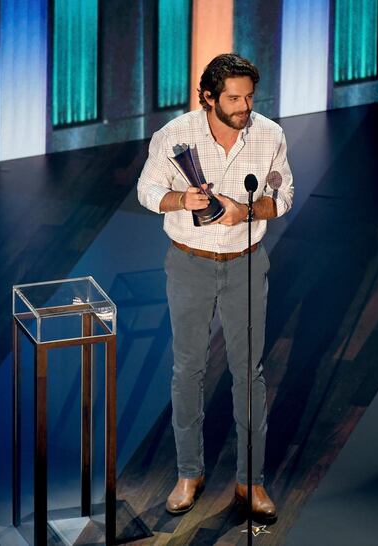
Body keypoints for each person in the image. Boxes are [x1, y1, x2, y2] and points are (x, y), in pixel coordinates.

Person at [137, 53, 293, 523]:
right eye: (233, 98)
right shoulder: (175, 136)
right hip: (190, 264)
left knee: (250, 373)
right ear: (208, 98)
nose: (244, 106)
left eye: (249, 96)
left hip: (247, 264)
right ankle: (190, 473)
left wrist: (243, 211)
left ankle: (252, 480)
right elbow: (147, 191)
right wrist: (182, 199)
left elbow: (282, 196)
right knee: (188, 371)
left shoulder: (269, 135)